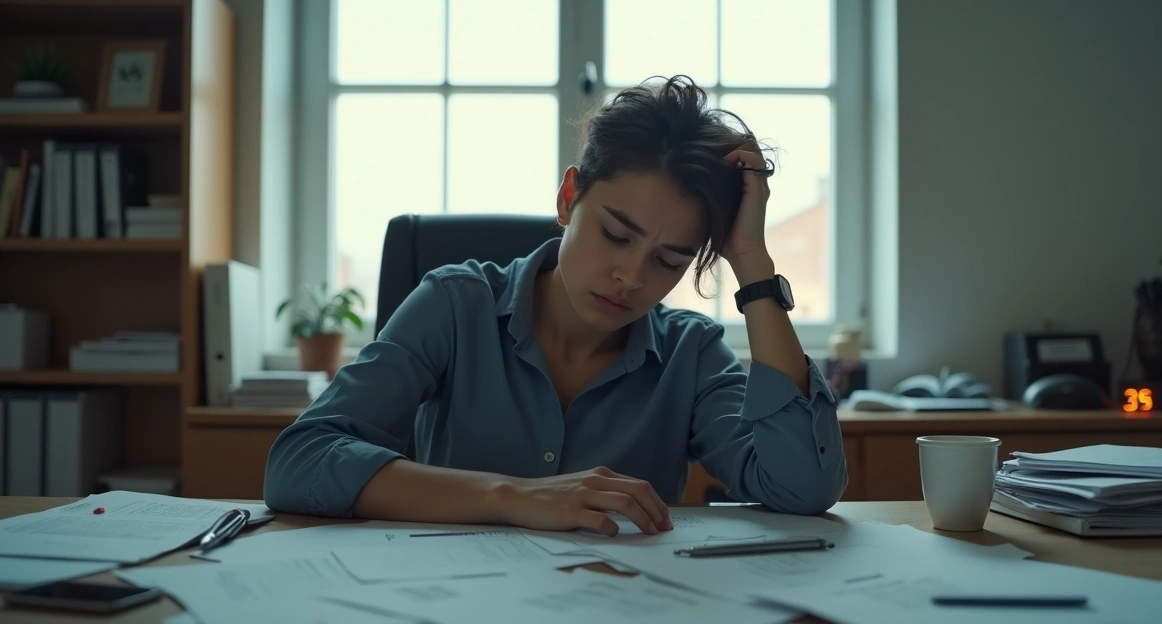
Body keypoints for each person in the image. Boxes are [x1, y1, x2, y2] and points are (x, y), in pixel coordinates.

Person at [264, 75, 847, 536]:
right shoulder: (454, 305)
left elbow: (801, 488)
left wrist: (752, 264)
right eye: (616, 235)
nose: (630, 276)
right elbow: (300, 461)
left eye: (670, 261)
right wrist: (512, 496)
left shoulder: (690, 354)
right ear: (569, 198)